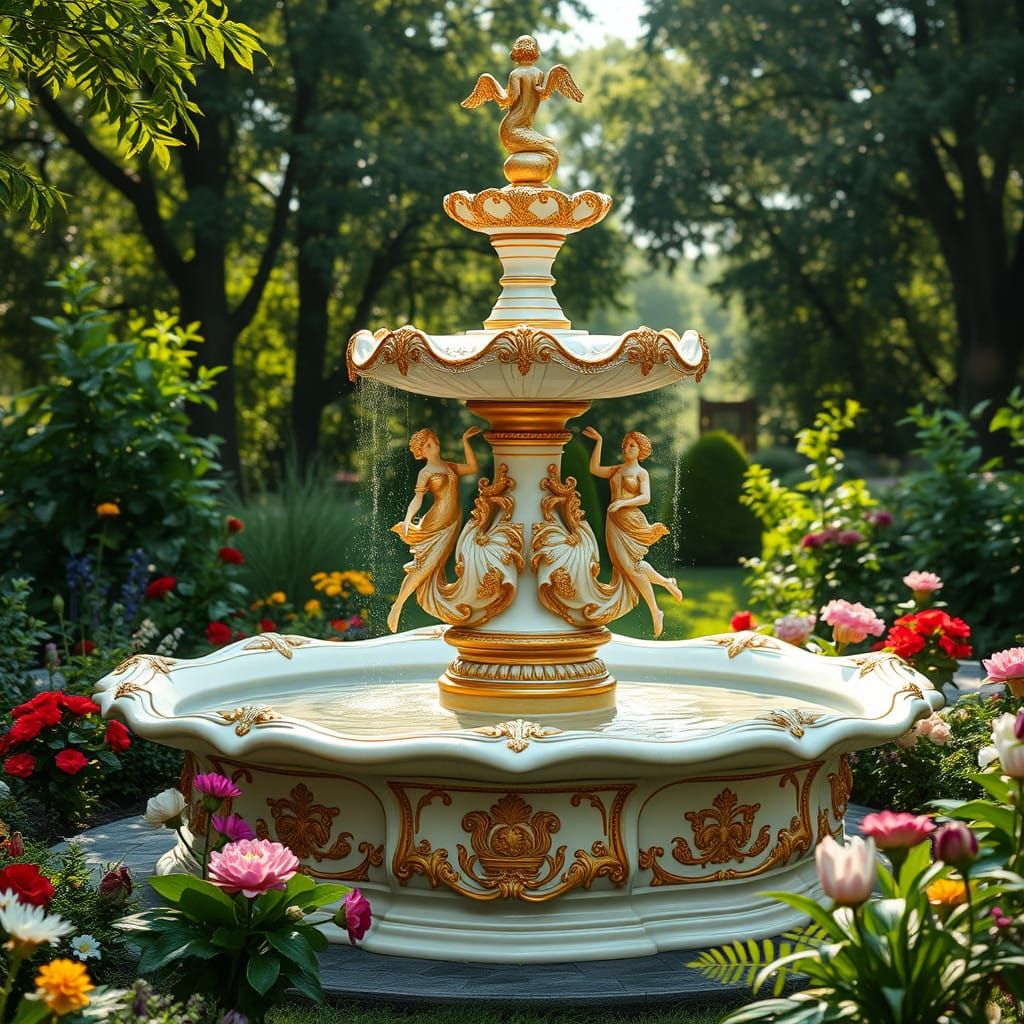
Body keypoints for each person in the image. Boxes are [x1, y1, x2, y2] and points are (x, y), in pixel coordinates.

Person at [582, 427, 682, 637]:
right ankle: (665, 582)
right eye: (625, 445)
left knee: (630, 566)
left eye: (632, 445)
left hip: (631, 520)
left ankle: (655, 610)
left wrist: (621, 503)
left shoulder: (640, 473)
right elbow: (594, 469)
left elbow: (645, 498)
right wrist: (599, 441)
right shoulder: (616, 470)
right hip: (614, 522)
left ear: (640, 451)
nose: (627, 448)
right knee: (627, 566)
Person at [387, 426, 481, 633]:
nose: (434, 446)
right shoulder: (426, 472)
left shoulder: (450, 467)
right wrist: (407, 519)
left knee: (436, 567)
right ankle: (398, 605)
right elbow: (417, 499)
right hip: (435, 523)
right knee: (425, 566)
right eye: (428, 445)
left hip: (452, 522)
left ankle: (447, 606)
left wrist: (465, 440)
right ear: (422, 452)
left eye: (435, 441)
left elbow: (473, 468)